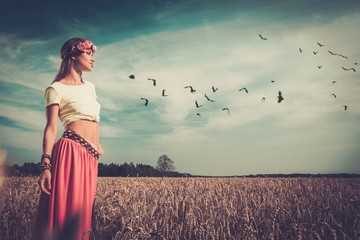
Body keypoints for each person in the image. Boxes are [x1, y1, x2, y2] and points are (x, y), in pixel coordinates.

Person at [32, 37, 103, 240]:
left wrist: (97, 142)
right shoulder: (55, 88)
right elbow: (51, 128)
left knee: (82, 217)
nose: (93, 59)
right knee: (66, 214)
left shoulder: (90, 87)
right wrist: (46, 165)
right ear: (73, 55)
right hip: (70, 153)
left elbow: (90, 118)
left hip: (90, 157)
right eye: (88, 53)